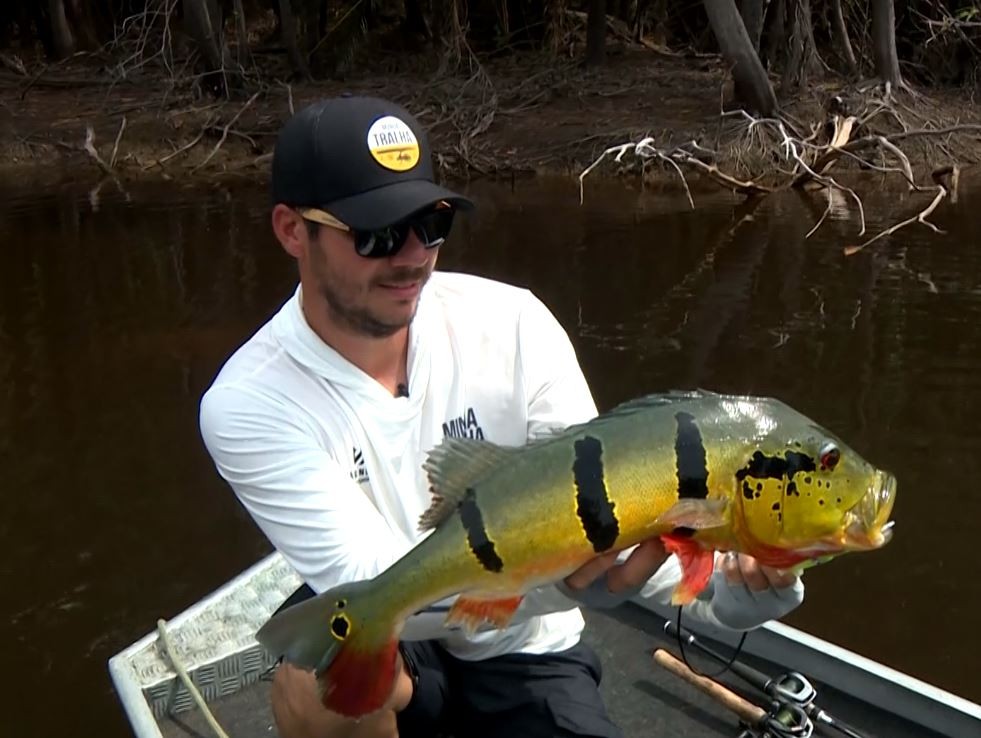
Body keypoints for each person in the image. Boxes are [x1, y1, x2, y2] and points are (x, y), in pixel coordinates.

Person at [198, 95, 805, 738]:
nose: (411, 257)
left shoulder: (514, 324)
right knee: (314, 679)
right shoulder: (249, 402)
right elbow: (376, 585)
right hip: (403, 641)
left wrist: (739, 596)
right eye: (376, 234)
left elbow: (625, 527)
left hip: (530, 653)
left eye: (430, 225)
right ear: (293, 230)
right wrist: (572, 584)